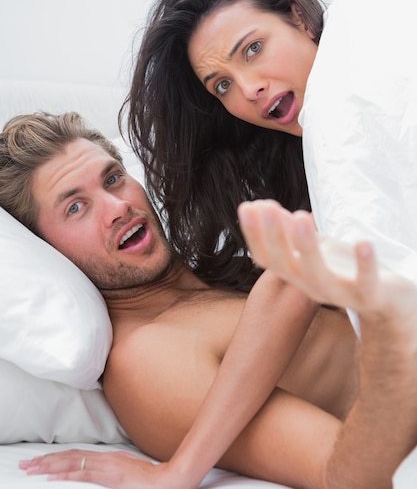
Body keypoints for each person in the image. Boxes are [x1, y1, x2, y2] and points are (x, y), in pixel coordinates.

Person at [1, 113, 416, 489]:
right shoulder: (146, 360)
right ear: (45, 251)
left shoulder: (224, 265)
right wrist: (394, 350)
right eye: (76, 207)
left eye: (112, 179)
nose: (118, 207)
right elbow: (346, 476)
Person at [120, 0, 417, 295]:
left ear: (300, 19)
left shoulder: (345, 107)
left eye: (253, 49)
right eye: (221, 86)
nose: (248, 90)